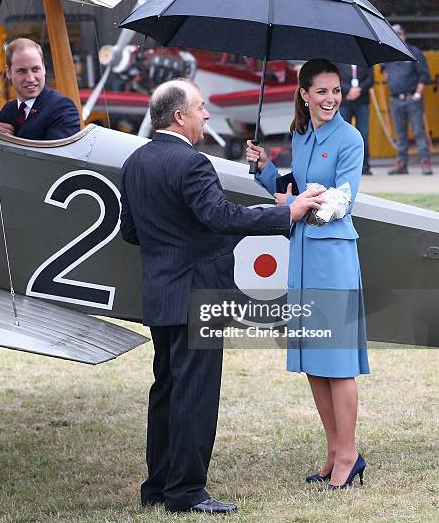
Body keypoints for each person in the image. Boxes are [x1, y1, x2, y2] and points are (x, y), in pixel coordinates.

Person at [120, 79, 323, 514]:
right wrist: (288, 212)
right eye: (199, 107)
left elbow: (131, 232)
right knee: (195, 393)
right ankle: (186, 492)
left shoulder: (135, 162)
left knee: (167, 391)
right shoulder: (193, 164)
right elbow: (221, 216)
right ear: (179, 116)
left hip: (160, 294)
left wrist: (175, 244)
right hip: (198, 295)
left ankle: (158, 485)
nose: (206, 114)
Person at [247, 59, 369, 490]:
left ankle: (350, 455)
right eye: (322, 91)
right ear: (304, 93)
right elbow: (291, 191)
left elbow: (343, 200)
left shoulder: (350, 137)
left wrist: (308, 204)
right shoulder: (302, 136)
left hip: (332, 256)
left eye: (335, 90)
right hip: (300, 253)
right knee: (315, 363)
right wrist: (264, 168)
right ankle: (334, 451)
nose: (331, 98)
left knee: (337, 363)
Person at [0, 38, 81, 140]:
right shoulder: (8, 111)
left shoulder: (63, 108)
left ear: (44, 69)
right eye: (22, 71)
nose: (30, 78)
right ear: (8, 72)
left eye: (35, 69)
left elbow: (56, 155)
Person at [383, 25, 432, 175]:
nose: (397, 36)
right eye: (394, 34)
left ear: (404, 35)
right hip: (396, 99)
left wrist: (417, 94)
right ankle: (401, 164)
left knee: (418, 131)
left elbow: (424, 75)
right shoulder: (388, 54)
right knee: (400, 134)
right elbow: (385, 71)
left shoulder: (415, 52)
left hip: (412, 98)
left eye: (399, 34)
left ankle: (425, 162)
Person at [337, 63, 374, 175]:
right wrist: (348, 90)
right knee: (343, 136)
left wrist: (359, 90)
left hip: (362, 101)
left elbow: (371, 79)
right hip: (344, 101)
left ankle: (365, 166)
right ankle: (344, 166)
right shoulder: (338, 62)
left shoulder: (365, 62)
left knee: (363, 134)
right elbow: (335, 79)